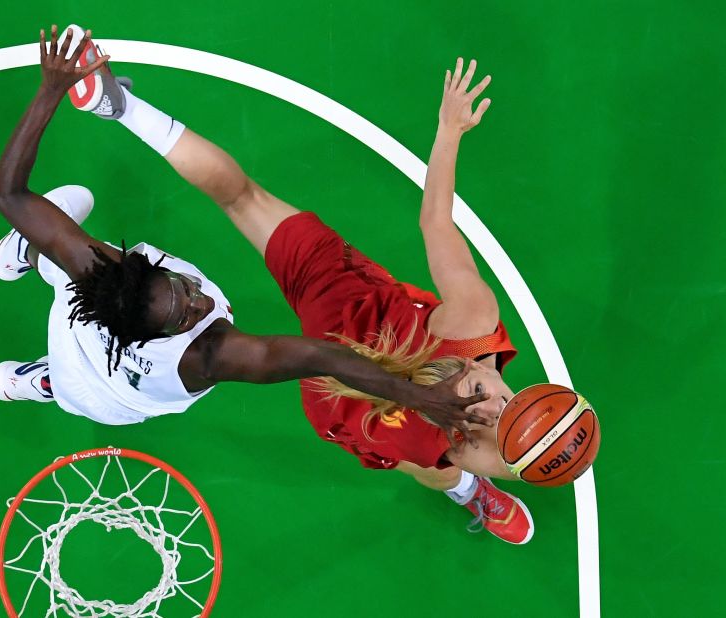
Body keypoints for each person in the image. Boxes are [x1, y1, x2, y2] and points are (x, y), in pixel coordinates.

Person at [75, 31, 536, 543]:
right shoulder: (470, 399)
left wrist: (449, 130)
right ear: (472, 364)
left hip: (340, 333)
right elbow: (521, 460)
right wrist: (547, 446)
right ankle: (466, 490)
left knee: (245, 199)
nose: (495, 406)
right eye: (486, 399)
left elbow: (436, 223)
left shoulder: (469, 339)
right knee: (437, 465)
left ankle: (118, 107)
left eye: (485, 401)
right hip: (336, 369)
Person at [0, 26, 487, 441]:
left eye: (184, 292)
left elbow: (9, 194)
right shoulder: (206, 356)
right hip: (105, 397)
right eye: (187, 315)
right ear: (161, 335)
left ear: (130, 266)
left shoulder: (101, 273)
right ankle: (47, 375)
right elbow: (320, 354)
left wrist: (50, 90)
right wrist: (416, 397)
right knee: (69, 215)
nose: (200, 303)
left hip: (96, 352)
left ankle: (32, 259)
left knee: (63, 210)